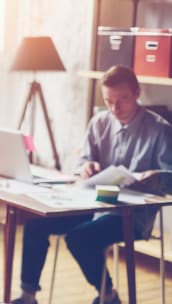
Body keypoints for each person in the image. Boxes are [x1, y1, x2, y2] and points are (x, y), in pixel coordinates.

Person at [11, 65, 172, 304]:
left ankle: (108, 296)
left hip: (131, 215)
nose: (115, 108)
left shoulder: (160, 130)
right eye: (109, 101)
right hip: (93, 204)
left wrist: (158, 176)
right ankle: (27, 295)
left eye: (122, 100)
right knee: (36, 223)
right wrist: (85, 167)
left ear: (137, 93)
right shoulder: (99, 123)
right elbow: (84, 160)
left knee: (79, 238)